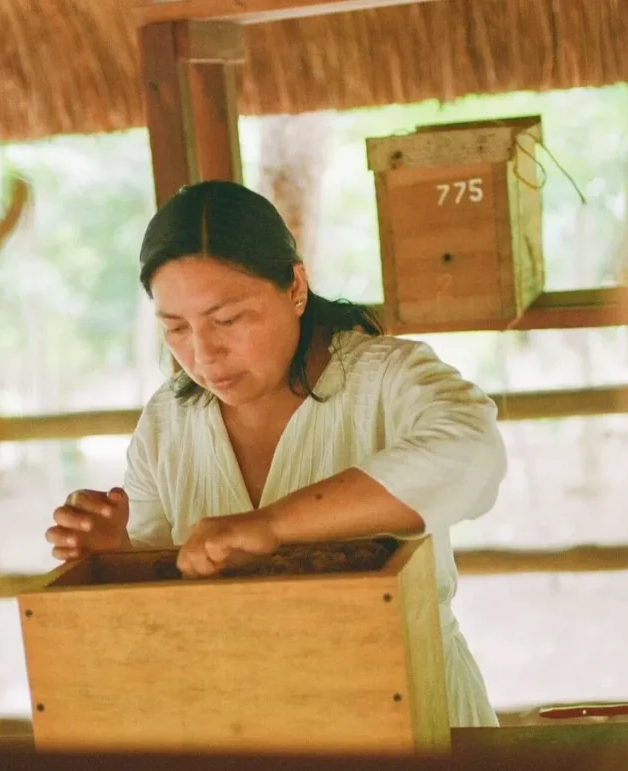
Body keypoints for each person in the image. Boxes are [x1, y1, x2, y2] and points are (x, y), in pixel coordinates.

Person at [45, 180, 507, 727]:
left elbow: (473, 452)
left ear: (294, 286)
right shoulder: (168, 421)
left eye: (228, 320)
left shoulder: (386, 379)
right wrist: (113, 552)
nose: (204, 353)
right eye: (176, 329)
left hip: (413, 707)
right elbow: (166, 589)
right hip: (247, 721)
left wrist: (273, 526)